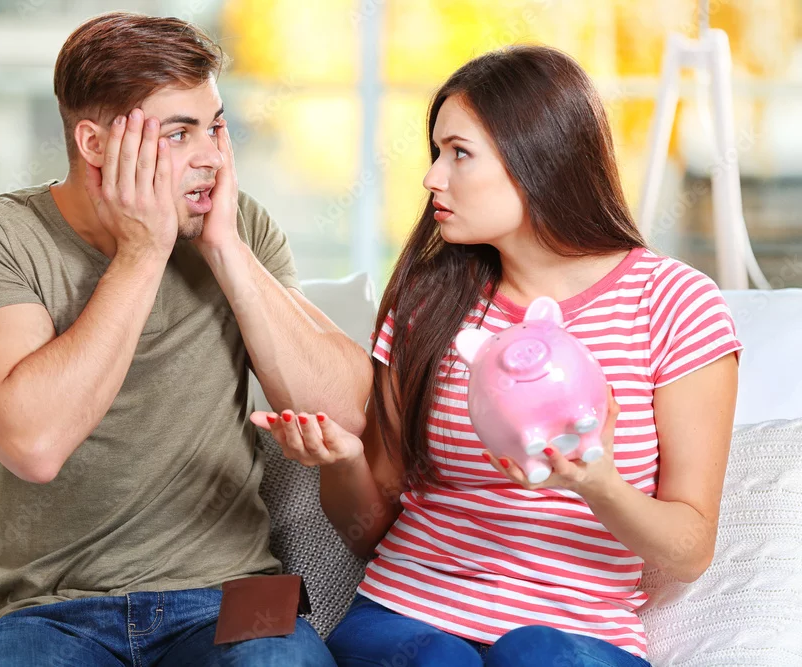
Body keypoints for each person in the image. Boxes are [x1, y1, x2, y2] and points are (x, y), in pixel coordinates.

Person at [254, 45, 742, 667]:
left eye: (459, 153)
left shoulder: (674, 304)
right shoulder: (427, 300)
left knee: (534, 653)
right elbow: (369, 531)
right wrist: (344, 462)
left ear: (539, 156)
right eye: (436, 153)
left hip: (576, 639)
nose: (433, 178)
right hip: (408, 615)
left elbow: (690, 551)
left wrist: (598, 485)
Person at [0, 11, 370, 667]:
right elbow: (34, 444)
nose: (211, 156)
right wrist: (142, 251)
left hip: (231, 597)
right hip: (47, 612)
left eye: (215, 127)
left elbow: (349, 416)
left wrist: (226, 249)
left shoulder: (235, 226)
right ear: (94, 143)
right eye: (179, 133)